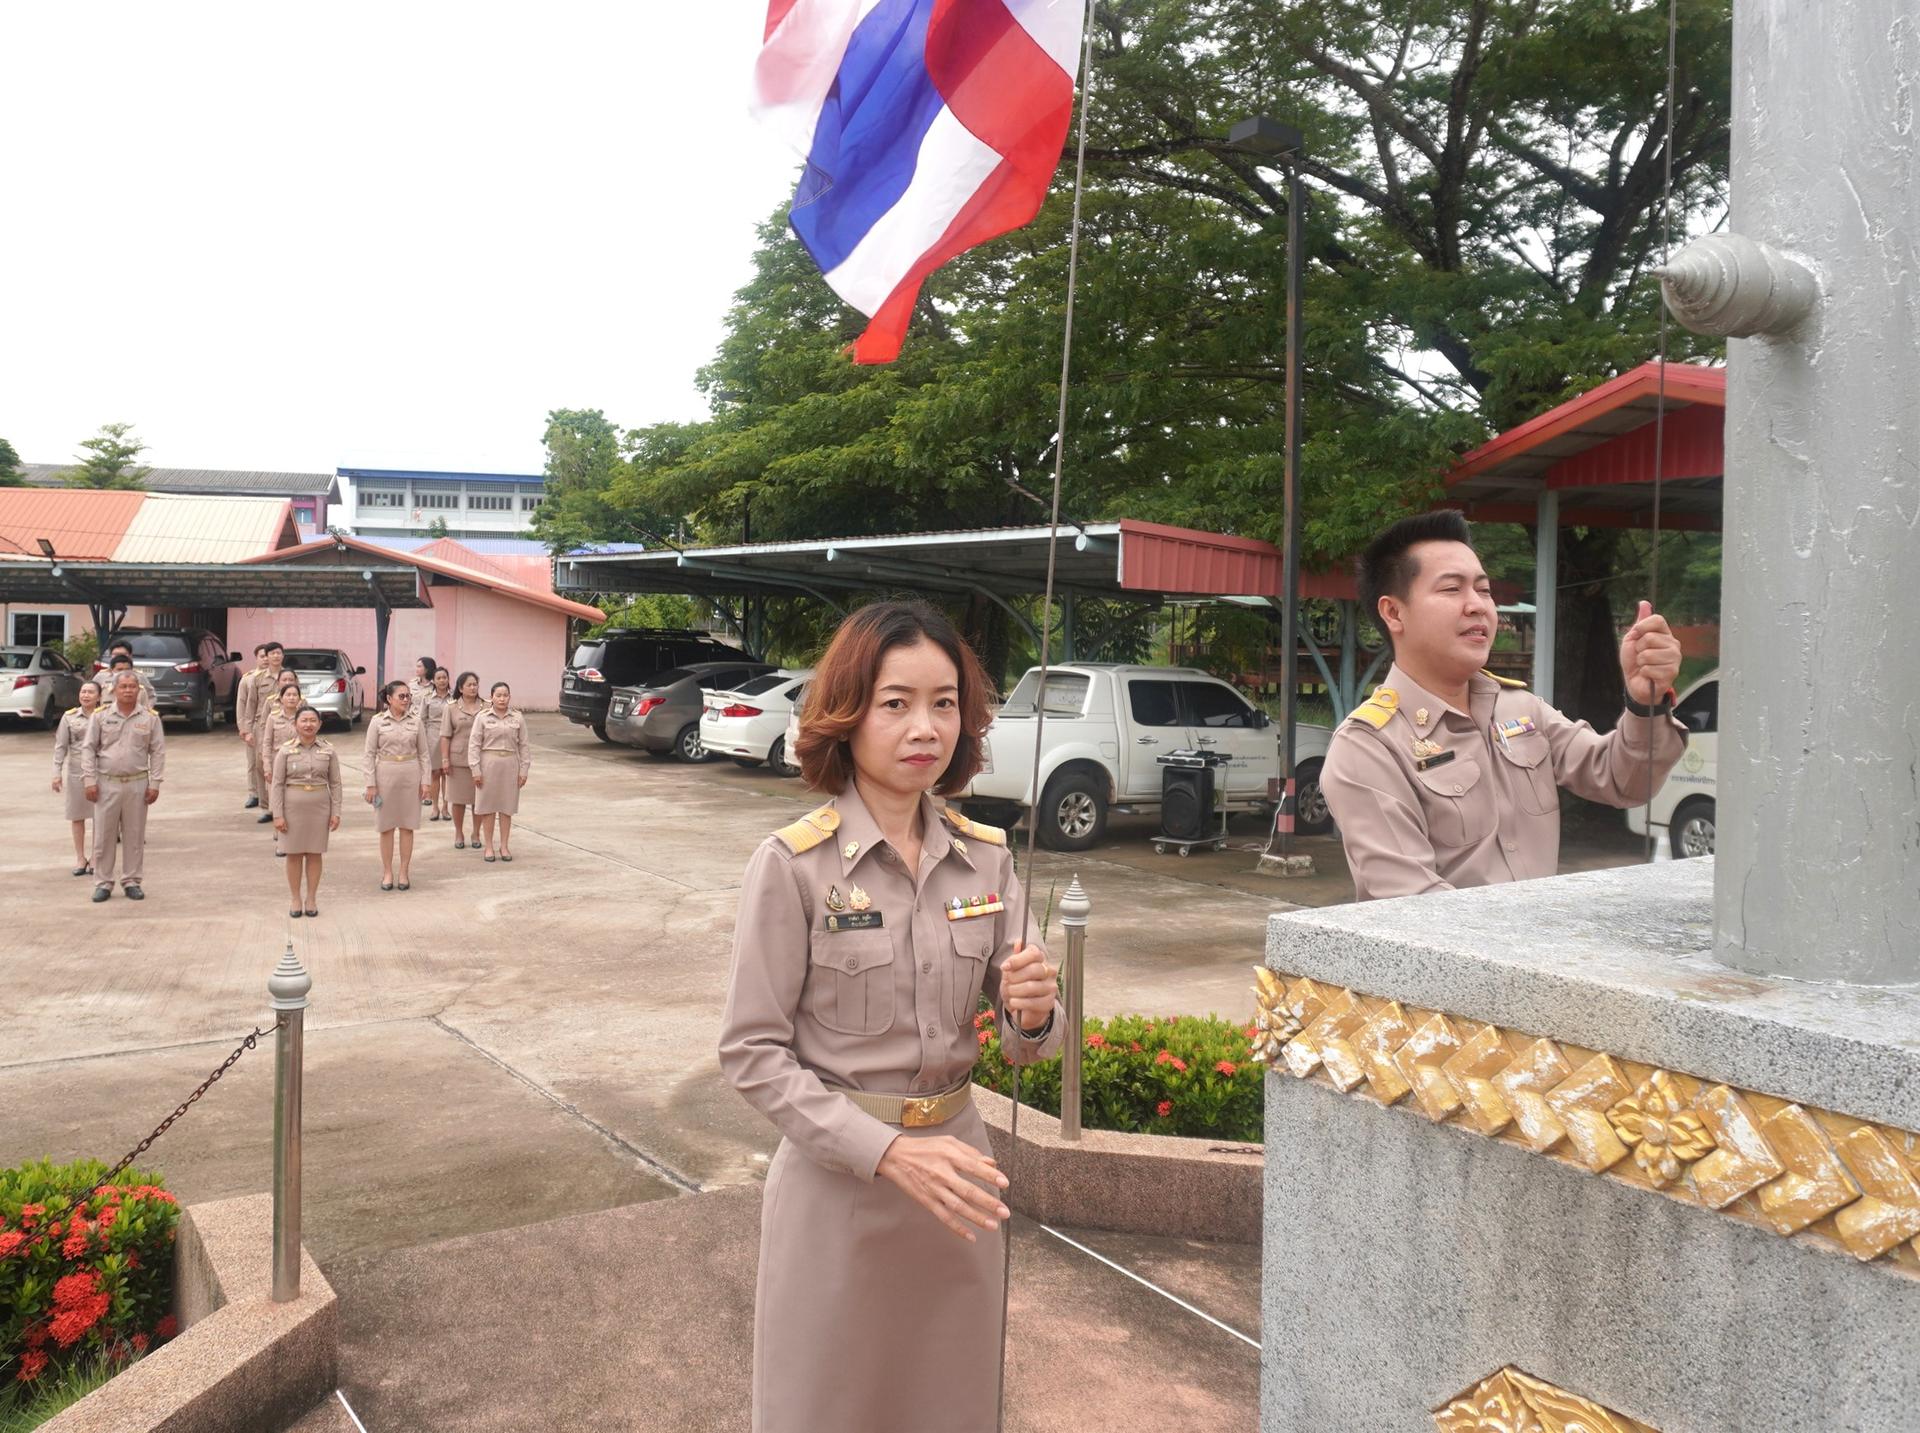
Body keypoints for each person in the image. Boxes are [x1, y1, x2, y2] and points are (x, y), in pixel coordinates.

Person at [716, 600, 1063, 1433]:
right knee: (826, 1407)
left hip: (960, 1189)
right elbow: (752, 1052)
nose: (925, 726)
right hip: (838, 1191)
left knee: (950, 1406)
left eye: (944, 702)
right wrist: (887, 1151)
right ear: (848, 712)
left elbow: (1030, 1047)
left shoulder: (986, 857)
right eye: (896, 701)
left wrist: (1038, 1012)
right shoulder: (794, 866)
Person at [1320, 511, 1688, 902]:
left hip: (1533, 951)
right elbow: (1415, 906)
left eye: (1484, 590)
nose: (1477, 605)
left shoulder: (1520, 709)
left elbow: (1623, 781)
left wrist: (1644, 704)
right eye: (1451, 590)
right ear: (1394, 612)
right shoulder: (1368, 747)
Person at [82, 670, 167, 903]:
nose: (128, 690)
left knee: (134, 836)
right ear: (114, 690)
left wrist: (156, 783)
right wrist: (89, 780)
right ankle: (103, 883)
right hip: (106, 783)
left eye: (132, 686)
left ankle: (131, 881)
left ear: (139, 689)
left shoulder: (150, 718)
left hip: (137, 784)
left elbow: (157, 752)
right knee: (103, 837)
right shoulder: (100, 716)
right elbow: (88, 748)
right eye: (124, 687)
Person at [271, 704, 342, 918]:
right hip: (292, 807)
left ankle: (311, 897)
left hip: (320, 807)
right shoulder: (285, 750)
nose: (308, 724)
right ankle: (295, 898)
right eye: (304, 720)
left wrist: (336, 811)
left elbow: (336, 783)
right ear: (296, 724)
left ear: (319, 724)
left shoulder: (328, 750)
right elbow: (277, 784)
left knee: (314, 853)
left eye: (313, 721)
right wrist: (278, 814)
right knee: (293, 854)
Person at [363, 680, 432, 890]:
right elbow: (369, 755)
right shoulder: (377, 722)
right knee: (386, 827)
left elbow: (424, 754)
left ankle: (403, 871)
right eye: (401, 696)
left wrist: (426, 782)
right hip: (385, 776)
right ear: (389, 699)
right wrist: (370, 784)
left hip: (411, 776)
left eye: (408, 696)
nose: (406, 700)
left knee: (407, 825)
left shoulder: (416, 721)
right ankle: (387, 872)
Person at [468, 682, 530, 862]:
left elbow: (524, 745)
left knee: (506, 807)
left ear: (509, 697)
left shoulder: (517, 717)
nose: (502, 699)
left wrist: (524, 770)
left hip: (510, 764)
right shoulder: (482, 717)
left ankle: (504, 845)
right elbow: (474, 744)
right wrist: (475, 769)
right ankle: (488, 846)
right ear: (492, 697)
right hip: (488, 764)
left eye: (505, 695)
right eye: (498, 695)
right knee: (488, 807)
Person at [52, 679, 103, 876]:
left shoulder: (105, 716)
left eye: (90, 692)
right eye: (83, 692)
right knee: (77, 816)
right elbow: (60, 747)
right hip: (76, 772)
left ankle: (96, 857)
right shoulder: (69, 717)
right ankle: (80, 858)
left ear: (99, 696)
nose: (85, 695)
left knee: (100, 817)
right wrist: (56, 773)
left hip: (101, 772)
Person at [244, 642, 288, 824]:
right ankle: (266, 808)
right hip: (261, 727)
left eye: (279, 653)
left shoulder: (289, 676)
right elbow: (251, 705)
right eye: (272, 653)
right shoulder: (258, 678)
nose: (276, 656)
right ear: (266, 656)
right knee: (262, 766)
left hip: (285, 725)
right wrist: (247, 730)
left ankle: (283, 807)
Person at [260, 678, 305, 857]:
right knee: (277, 801)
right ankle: (280, 840)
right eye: (288, 695)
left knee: (294, 802)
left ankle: (295, 838)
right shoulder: (273, 717)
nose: (292, 698)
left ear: (300, 699)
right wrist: (266, 766)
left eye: (295, 695)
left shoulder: (304, 717)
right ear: (281, 698)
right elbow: (266, 743)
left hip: (298, 763)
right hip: (277, 761)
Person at [440, 670, 484, 849]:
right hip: (458, 760)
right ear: (460, 688)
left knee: (478, 800)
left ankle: (476, 832)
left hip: (481, 760)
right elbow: (445, 735)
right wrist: (444, 759)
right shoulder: (451, 708)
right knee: (457, 800)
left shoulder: (487, 706)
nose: (473, 687)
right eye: (469, 685)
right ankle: (458, 832)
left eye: (475, 684)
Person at [236, 643, 270, 809]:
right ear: (256, 658)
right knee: (253, 761)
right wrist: (244, 728)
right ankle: (254, 793)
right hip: (256, 724)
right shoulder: (248, 678)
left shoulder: (283, 676)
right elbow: (242, 704)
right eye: (262, 656)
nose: (265, 659)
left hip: (277, 725)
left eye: (267, 655)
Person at [422, 666, 453, 820]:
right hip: (432, 737)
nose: (442, 680)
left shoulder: (454, 698)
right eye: (439, 678)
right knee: (435, 773)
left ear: (448, 679)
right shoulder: (427, 697)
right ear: (433, 680)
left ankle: (446, 808)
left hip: (451, 737)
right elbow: (422, 719)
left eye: (444, 677)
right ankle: (435, 807)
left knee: (447, 773)